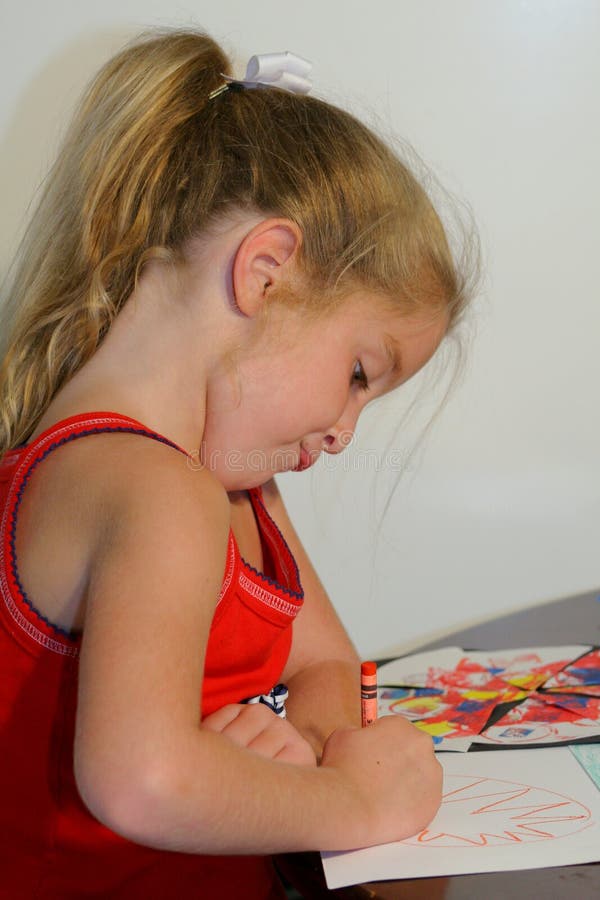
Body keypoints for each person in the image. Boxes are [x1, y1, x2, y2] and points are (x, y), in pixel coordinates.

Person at [0, 29, 473, 899]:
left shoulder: (236, 488)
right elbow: (141, 779)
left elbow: (327, 664)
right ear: (264, 272)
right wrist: (351, 801)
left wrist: (310, 750)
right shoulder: (152, 490)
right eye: (358, 374)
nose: (344, 432)